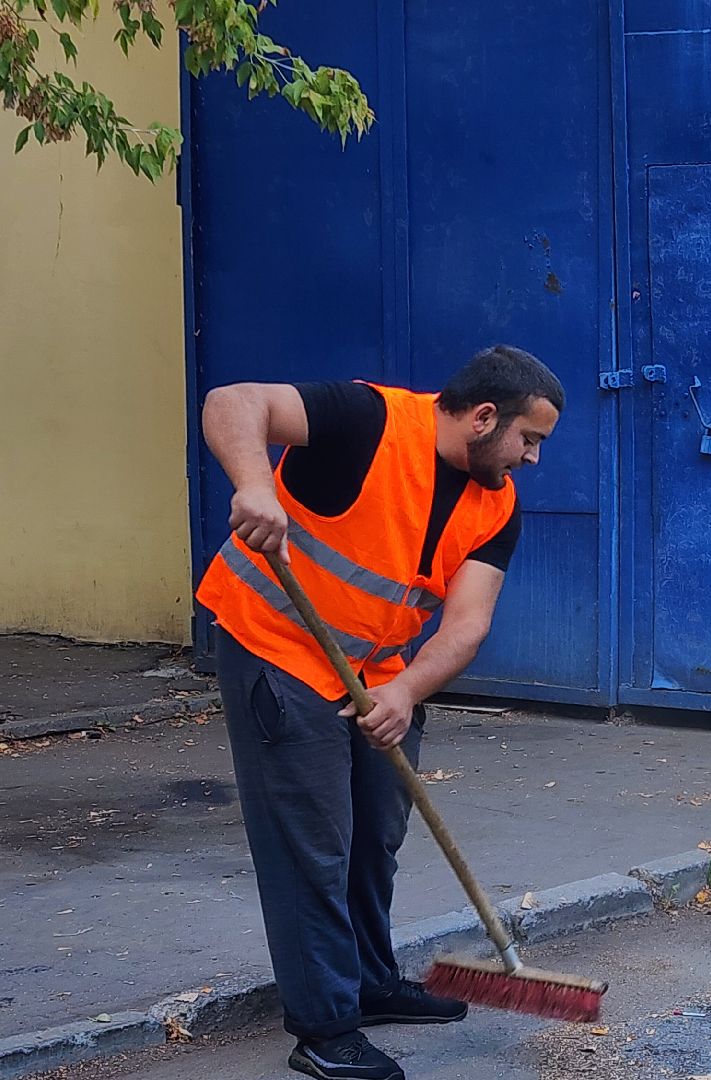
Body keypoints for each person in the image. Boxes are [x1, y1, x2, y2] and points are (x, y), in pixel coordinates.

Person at [195, 346, 564, 1080]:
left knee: (376, 834)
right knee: (313, 846)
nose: (532, 458)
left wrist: (406, 692)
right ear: (485, 417)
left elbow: (466, 624)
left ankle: (369, 979)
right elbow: (234, 400)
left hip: (378, 672)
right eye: (530, 439)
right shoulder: (366, 419)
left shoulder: (496, 505)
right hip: (278, 646)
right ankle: (325, 1028)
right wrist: (252, 484)